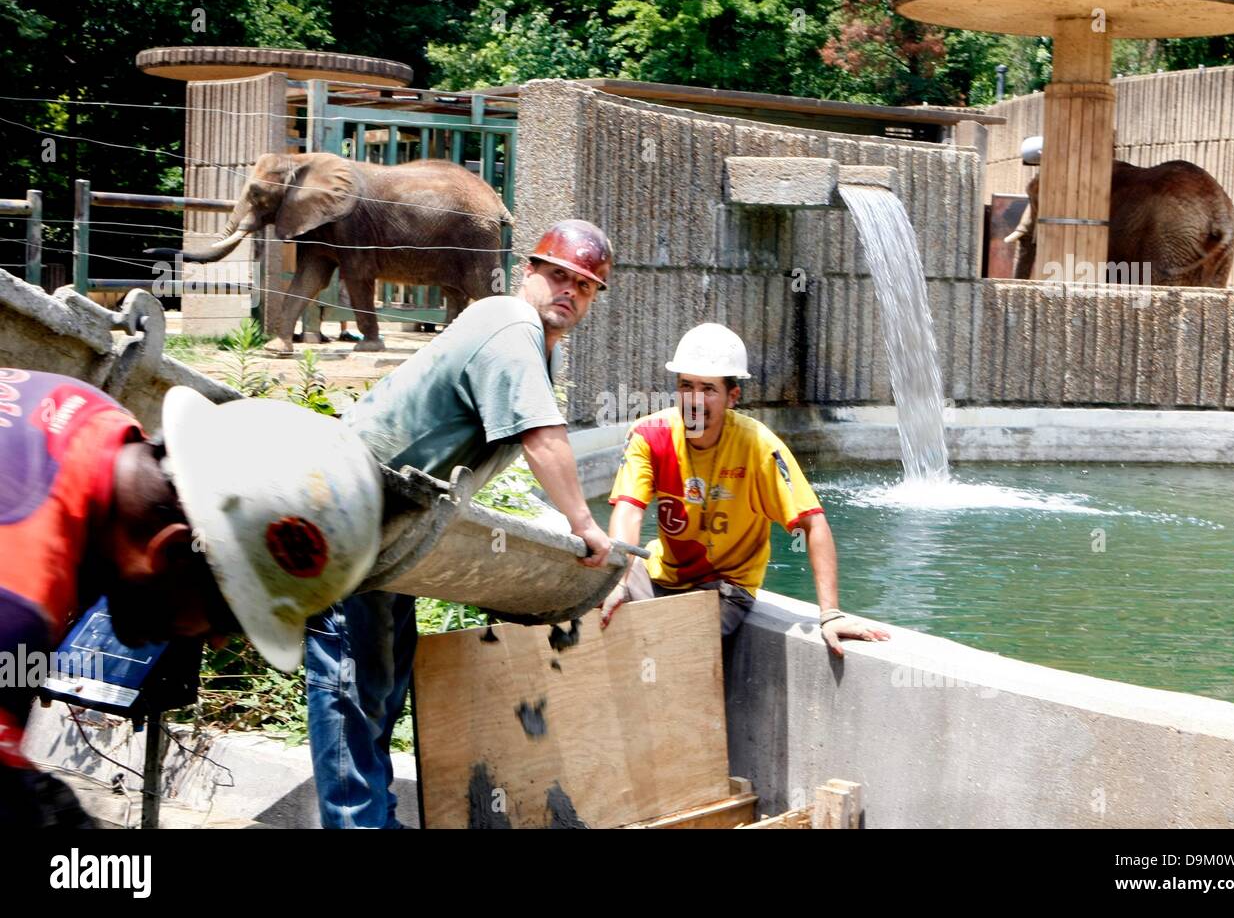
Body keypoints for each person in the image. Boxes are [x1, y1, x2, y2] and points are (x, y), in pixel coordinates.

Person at [305, 219, 614, 829]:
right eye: (558, 275)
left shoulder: (529, 340)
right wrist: (585, 523)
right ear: (529, 272)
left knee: (384, 680)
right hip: (344, 510)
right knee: (349, 681)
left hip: (389, 526)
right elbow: (541, 438)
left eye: (583, 285)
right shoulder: (511, 325)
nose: (568, 291)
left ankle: (375, 819)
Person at [0, 372, 382, 826]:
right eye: (225, 614)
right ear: (174, 551)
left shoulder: (88, 416)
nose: (216, 641)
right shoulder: (15, 602)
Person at [599, 324, 890, 655]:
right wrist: (617, 582)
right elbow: (628, 510)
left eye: (708, 389)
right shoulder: (649, 434)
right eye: (686, 386)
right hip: (657, 574)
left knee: (679, 647)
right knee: (589, 598)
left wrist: (830, 614)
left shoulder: (758, 446)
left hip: (725, 587)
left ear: (732, 397)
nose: (694, 399)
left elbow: (813, 522)